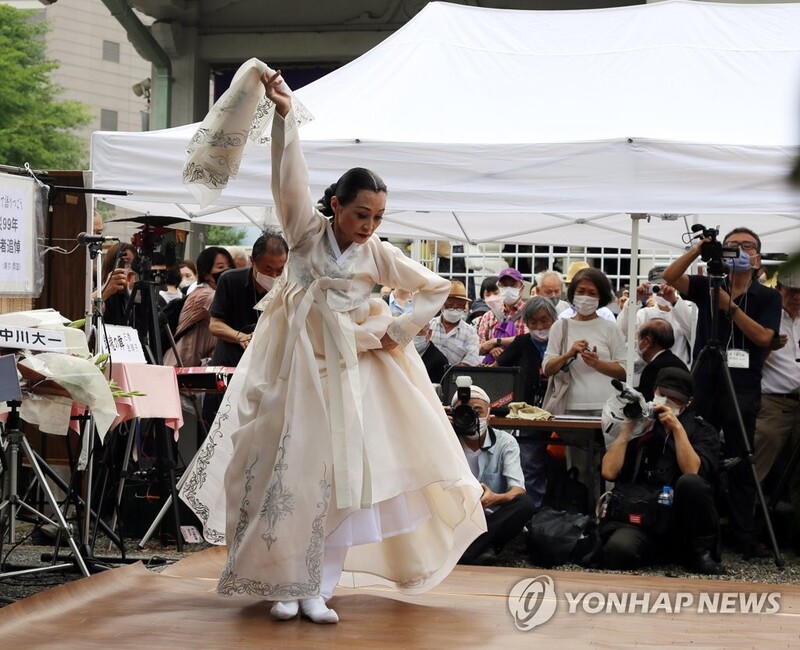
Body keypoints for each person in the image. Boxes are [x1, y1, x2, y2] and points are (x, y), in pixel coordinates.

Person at [218, 70, 484, 624]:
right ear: (336, 205)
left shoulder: (378, 253)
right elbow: (289, 178)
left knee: (343, 481)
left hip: (352, 373)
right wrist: (285, 117)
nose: (369, 225)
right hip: (294, 367)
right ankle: (283, 581)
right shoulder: (304, 232)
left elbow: (436, 288)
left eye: (378, 217)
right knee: (284, 471)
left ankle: (318, 586)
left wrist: (394, 332)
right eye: (361, 214)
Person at [663, 227, 782, 558]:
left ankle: (743, 535)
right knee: (699, 453)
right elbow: (670, 277)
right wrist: (699, 250)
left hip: (743, 384)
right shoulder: (708, 286)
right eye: (732, 246)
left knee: (743, 459)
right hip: (706, 379)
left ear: (757, 257)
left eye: (747, 246)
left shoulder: (767, 297)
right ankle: (701, 531)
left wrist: (730, 307)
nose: (740, 251)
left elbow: (764, 337)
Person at [600, 368, 724, 575]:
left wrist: (677, 429)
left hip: (680, 516)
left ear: (688, 402)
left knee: (691, 483)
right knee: (618, 551)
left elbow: (692, 471)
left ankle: (700, 552)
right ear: (654, 391)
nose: (666, 401)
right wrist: (628, 429)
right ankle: (661, 553)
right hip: (643, 514)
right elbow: (609, 472)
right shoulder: (643, 425)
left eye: (675, 399)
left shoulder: (702, 430)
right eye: (662, 394)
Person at [543, 267, 626, 487]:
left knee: (607, 470)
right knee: (578, 472)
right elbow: (548, 368)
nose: (585, 297)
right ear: (572, 293)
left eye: (592, 293)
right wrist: (568, 354)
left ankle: (604, 506)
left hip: (607, 410)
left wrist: (597, 364)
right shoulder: (560, 327)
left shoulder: (611, 328)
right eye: (581, 291)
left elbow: (624, 370)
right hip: (571, 409)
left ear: (601, 297)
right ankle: (578, 506)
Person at [452, 385, 536, 565]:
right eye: (464, 412)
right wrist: (439, 427)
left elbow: (518, 490)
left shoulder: (505, 442)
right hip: (456, 515)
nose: (472, 417)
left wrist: (495, 498)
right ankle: (483, 549)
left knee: (525, 504)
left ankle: (466, 551)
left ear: (489, 414)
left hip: (492, 517)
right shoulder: (446, 441)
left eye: (478, 412)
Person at [493, 296, 558, 507]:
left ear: (553, 320)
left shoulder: (561, 342)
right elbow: (498, 369)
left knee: (558, 461)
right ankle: (533, 509)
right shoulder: (521, 342)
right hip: (527, 413)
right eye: (533, 322)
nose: (539, 327)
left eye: (544, 320)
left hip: (558, 409)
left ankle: (556, 507)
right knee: (530, 461)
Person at [753, 270, 800, 546]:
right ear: (779, 289)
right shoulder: (769, 314)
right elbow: (750, 359)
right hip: (773, 400)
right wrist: (767, 346)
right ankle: (747, 530)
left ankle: (795, 534)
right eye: (791, 291)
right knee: (758, 466)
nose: (796, 297)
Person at [208, 231, 288, 368]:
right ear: (252, 261)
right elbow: (215, 325)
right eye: (268, 269)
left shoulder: (286, 287)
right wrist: (240, 336)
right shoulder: (230, 280)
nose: (274, 276)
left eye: (280, 270)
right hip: (230, 364)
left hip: (266, 366)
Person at [163, 246, 234, 368]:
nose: (227, 271)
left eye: (230, 266)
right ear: (206, 274)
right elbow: (233, 312)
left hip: (197, 367)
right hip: (180, 366)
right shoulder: (205, 295)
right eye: (221, 267)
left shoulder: (214, 293)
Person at [616, 266, 697, 367]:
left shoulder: (687, 309)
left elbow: (693, 328)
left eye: (667, 284)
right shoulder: (644, 313)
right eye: (657, 284)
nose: (662, 288)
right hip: (650, 369)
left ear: (675, 286)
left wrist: (673, 300)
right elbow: (627, 330)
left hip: (679, 369)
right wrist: (634, 299)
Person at [477, 267, 528, 362]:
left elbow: (530, 340)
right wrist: (491, 349)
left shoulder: (530, 313)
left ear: (522, 288)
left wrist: (495, 341)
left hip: (520, 367)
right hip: (494, 368)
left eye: (513, 285)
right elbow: (479, 348)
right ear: (499, 287)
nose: (508, 289)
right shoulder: (489, 316)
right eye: (504, 285)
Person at [428, 280, 480, 367]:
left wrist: (454, 370)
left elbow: (472, 359)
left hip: (455, 374)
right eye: (450, 304)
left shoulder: (470, 333)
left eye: (459, 305)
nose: (455, 308)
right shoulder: (429, 325)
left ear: (464, 307)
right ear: (442, 304)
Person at [634, 319, 688, 402]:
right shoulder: (679, 364)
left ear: (647, 342)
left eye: (639, 339)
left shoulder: (653, 369)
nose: (638, 344)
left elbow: (644, 403)